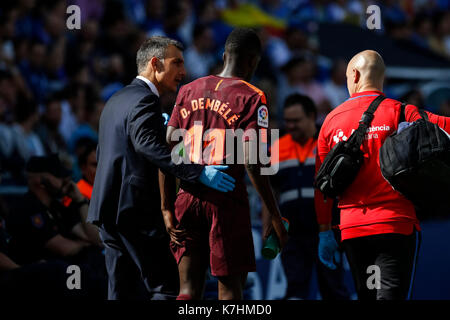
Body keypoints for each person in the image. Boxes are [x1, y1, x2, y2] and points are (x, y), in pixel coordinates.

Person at [87, 36, 236, 300]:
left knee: (121, 291)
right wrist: (198, 172)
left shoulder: (116, 100)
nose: (183, 71)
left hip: (106, 208)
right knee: (167, 287)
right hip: (134, 210)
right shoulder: (145, 101)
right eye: (176, 63)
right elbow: (147, 147)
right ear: (155, 64)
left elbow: (108, 151)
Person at [162, 28, 288, 300]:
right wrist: (273, 214)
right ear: (253, 61)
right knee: (230, 290)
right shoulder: (253, 97)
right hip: (226, 200)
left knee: (186, 290)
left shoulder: (188, 89)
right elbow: (254, 162)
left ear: (224, 55)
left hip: (186, 196)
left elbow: (168, 150)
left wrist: (166, 206)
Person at [315, 50, 450, 300]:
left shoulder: (330, 121)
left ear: (354, 75)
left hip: (353, 230)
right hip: (395, 226)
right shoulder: (402, 113)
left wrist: (325, 232)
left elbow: (322, 186)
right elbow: (445, 127)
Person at [264, 93, 349, 300]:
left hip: (327, 232)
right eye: (287, 121)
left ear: (312, 116)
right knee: (295, 289)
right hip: (291, 234)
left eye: (296, 120)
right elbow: (269, 192)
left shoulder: (329, 145)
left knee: (333, 288)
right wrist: (268, 225)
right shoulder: (275, 148)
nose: (290, 125)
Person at [4, 155, 106, 297]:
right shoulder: (27, 208)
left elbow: (95, 238)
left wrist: (80, 201)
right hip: (39, 276)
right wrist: (85, 244)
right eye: (59, 176)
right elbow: (64, 249)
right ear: (40, 181)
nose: (67, 180)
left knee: (101, 262)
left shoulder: (58, 206)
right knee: (81, 271)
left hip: (65, 270)